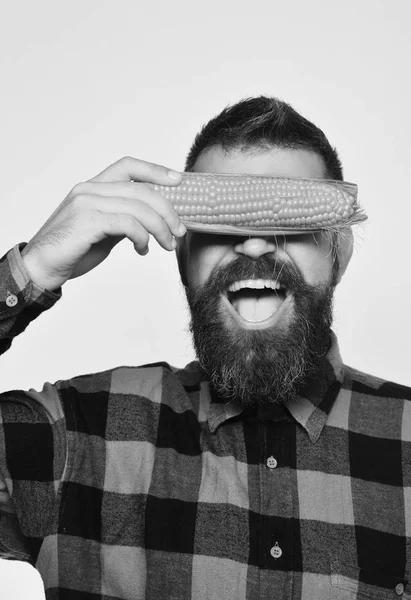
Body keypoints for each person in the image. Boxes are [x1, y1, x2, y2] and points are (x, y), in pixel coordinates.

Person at [0, 96, 410, 600]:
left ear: (339, 254)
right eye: (220, 219)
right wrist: (30, 272)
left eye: (289, 217)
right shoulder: (75, 434)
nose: (255, 245)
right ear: (182, 257)